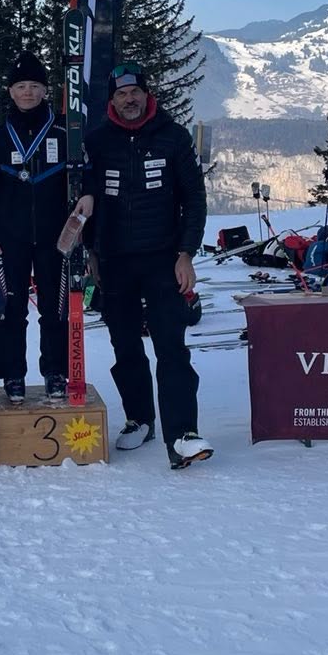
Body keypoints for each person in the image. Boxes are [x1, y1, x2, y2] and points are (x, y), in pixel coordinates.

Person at [74, 64, 212, 469]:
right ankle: (139, 418)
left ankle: (183, 434)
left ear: (146, 95)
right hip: (115, 260)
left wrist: (186, 252)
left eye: (135, 92)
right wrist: (93, 253)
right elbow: (87, 203)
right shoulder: (98, 142)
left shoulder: (173, 136)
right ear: (111, 100)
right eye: (121, 94)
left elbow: (195, 200)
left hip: (164, 259)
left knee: (172, 346)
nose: (129, 99)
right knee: (125, 345)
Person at [0, 50, 69, 404]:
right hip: (9, 239)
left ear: (45, 90)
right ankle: (13, 374)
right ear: (11, 92)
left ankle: (55, 371)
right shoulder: (0, 135)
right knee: (10, 309)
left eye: (34, 86)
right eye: (21, 86)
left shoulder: (62, 131)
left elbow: (78, 186)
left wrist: (78, 233)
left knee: (53, 309)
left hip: (55, 239)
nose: (28, 92)